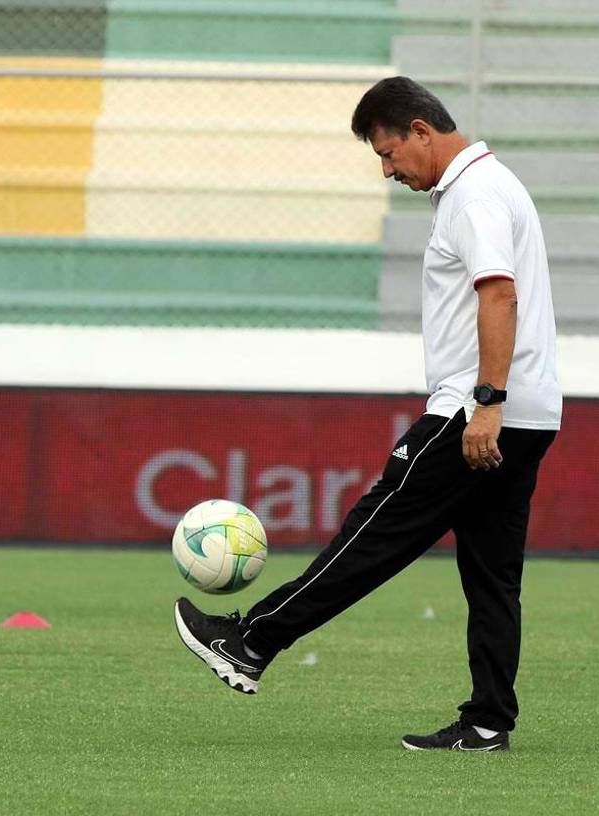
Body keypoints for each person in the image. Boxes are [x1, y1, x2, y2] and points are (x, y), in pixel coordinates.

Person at [173, 76, 561, 753]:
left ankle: (251, 641)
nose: (387, 170)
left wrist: (485, 404)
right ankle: (489, 718)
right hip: (530, 412)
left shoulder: (473, 195)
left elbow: (499, 296)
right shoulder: (493, 186)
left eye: (388, 153)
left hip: (476, 409)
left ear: (421, 130)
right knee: (492, 575)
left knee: (370, 537)